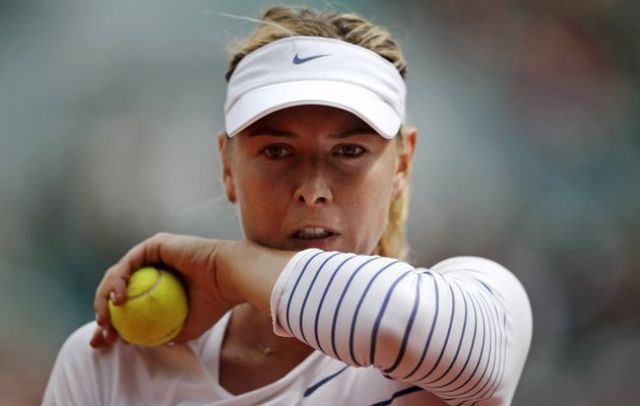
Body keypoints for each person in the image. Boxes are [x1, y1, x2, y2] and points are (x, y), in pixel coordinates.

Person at [43, 5, 532, 405]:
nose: (313, 189)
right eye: (277, 151)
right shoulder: (108, 365)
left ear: (402, 165)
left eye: (349, 151)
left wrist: (223, 269)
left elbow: (469, 349)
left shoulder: (479, 305)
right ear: (228, 166)